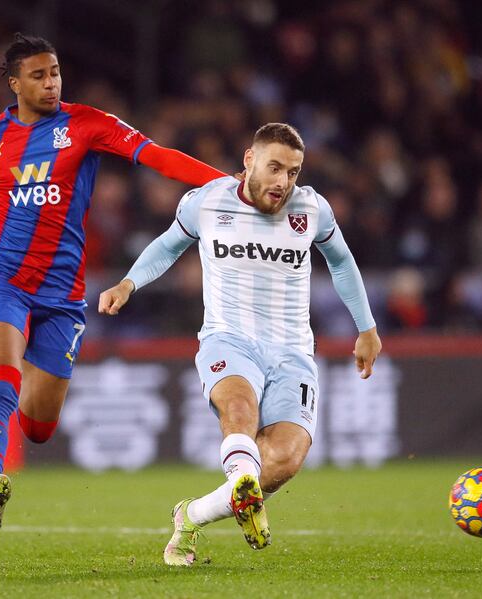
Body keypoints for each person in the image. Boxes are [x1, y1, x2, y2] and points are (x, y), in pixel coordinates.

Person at [0, 33, 226, 535]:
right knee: (0, 377)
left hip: (62, 298)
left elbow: (159, 157)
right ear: (14, 83)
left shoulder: (87, 125)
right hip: (3, 282)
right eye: (38, 75)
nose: (51, 82)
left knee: (38, 429)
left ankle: (5, 438)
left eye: (55, 72)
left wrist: (229, 187)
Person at [98, 123, 381, 565]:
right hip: (228, 339)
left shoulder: (312, 209)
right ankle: (240, 489)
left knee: (284, 460)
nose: (283, 182)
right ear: (249, 160)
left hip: (292, 352)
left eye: (293, 172)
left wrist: (366, 328)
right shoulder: (206, 201)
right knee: (239, 411)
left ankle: (192, 515)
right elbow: (168, 246)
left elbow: (341, 261)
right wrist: (129, 283)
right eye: (274, 168)